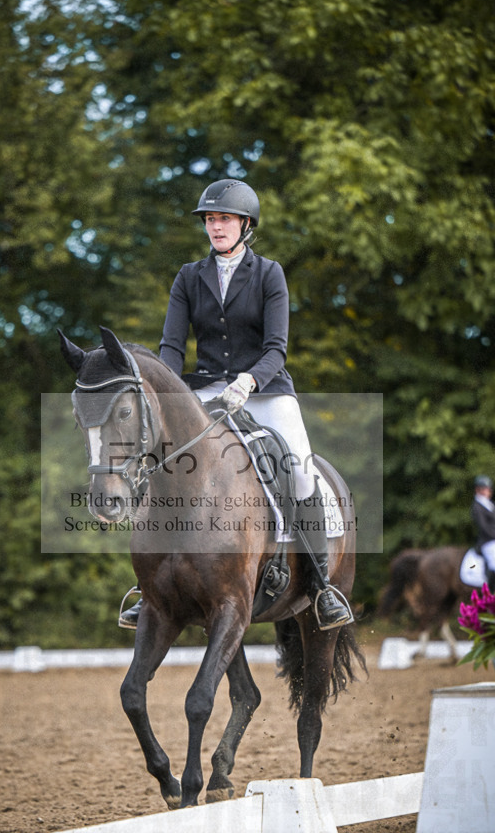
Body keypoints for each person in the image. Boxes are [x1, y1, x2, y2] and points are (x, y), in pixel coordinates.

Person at [119, 178, 350, 630]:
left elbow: (276, 348)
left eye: (223, 218)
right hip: (203, 390)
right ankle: (146, 588)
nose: (215, 226)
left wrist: (249, 380)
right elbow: (170, 348)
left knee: (300, 470)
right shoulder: (188, 276)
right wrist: (165, 394)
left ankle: (322, 586)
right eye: (209, 219)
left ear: (245, 224)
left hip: (263, 390)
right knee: (158, 462)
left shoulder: (269, 274)